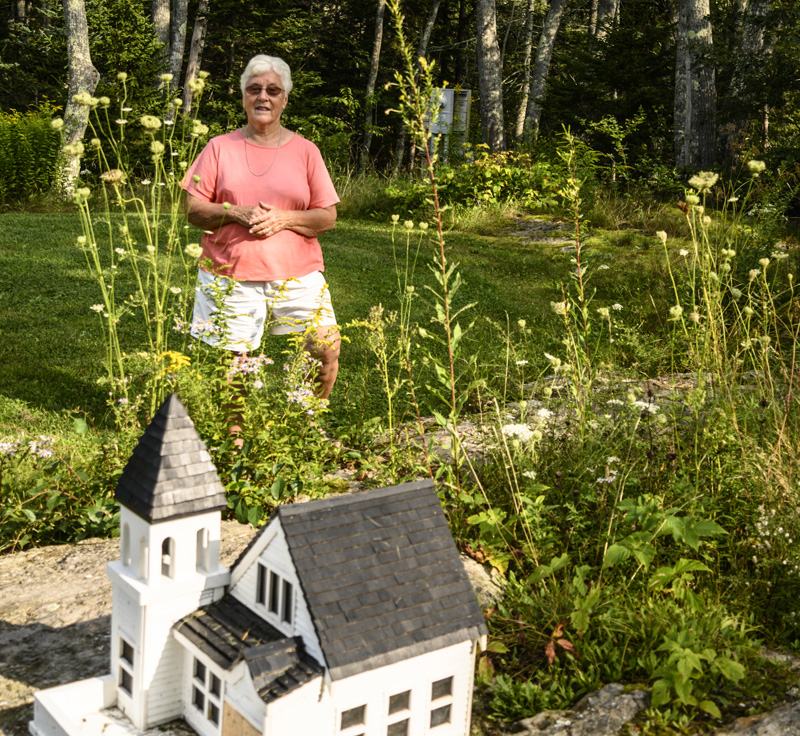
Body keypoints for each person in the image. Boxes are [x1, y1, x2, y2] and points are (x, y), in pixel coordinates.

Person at [182, 55, 341, 433]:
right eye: (254, 90)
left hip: (298, 273)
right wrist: (236, 213)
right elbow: (193, 210)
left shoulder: (306, 151)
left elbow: (327, 217)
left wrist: (284, 218)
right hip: (230, 273)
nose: (263, 97)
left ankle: (307, 424)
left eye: (273, 90)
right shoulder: (219, 147)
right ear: (243, 98)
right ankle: (233, 444)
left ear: (285, 99)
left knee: (325, 349)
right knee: (234, 366)